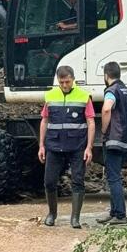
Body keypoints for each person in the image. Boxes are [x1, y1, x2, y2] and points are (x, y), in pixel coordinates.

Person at [38, 64, 95, 228]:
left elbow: (91, 122)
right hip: (54, 146)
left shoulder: (84, 96)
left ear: (73, 80)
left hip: (77, 147)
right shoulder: (50, 96)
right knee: (49, 181)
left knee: (78, 181)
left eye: (68, 82)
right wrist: (41, 145)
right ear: (58, 81)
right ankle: (52, 214)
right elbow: (44, 120)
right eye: (62, 82)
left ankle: (75, 218)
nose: (64, 85)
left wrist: (89, 147)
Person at [97, 61, 127, 225]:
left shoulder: (111, 90)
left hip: (115, 139)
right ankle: (114, 212)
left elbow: (106, 108)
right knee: (114, 176)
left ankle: (120, 215)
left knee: (114, 178)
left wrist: (104, 130)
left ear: (106, 75)